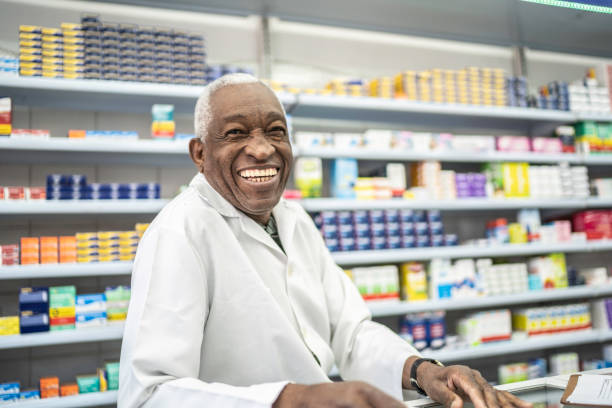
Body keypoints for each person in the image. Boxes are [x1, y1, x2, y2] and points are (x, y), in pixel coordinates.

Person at [118, 73, 532, 408]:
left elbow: (349, 332)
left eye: (275, 131)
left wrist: (422, 371)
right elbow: (150, 394)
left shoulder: (293, 218)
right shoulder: (180, 233)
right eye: (236, 133)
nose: (262, 149)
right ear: (199, 153)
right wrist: (294, 399)